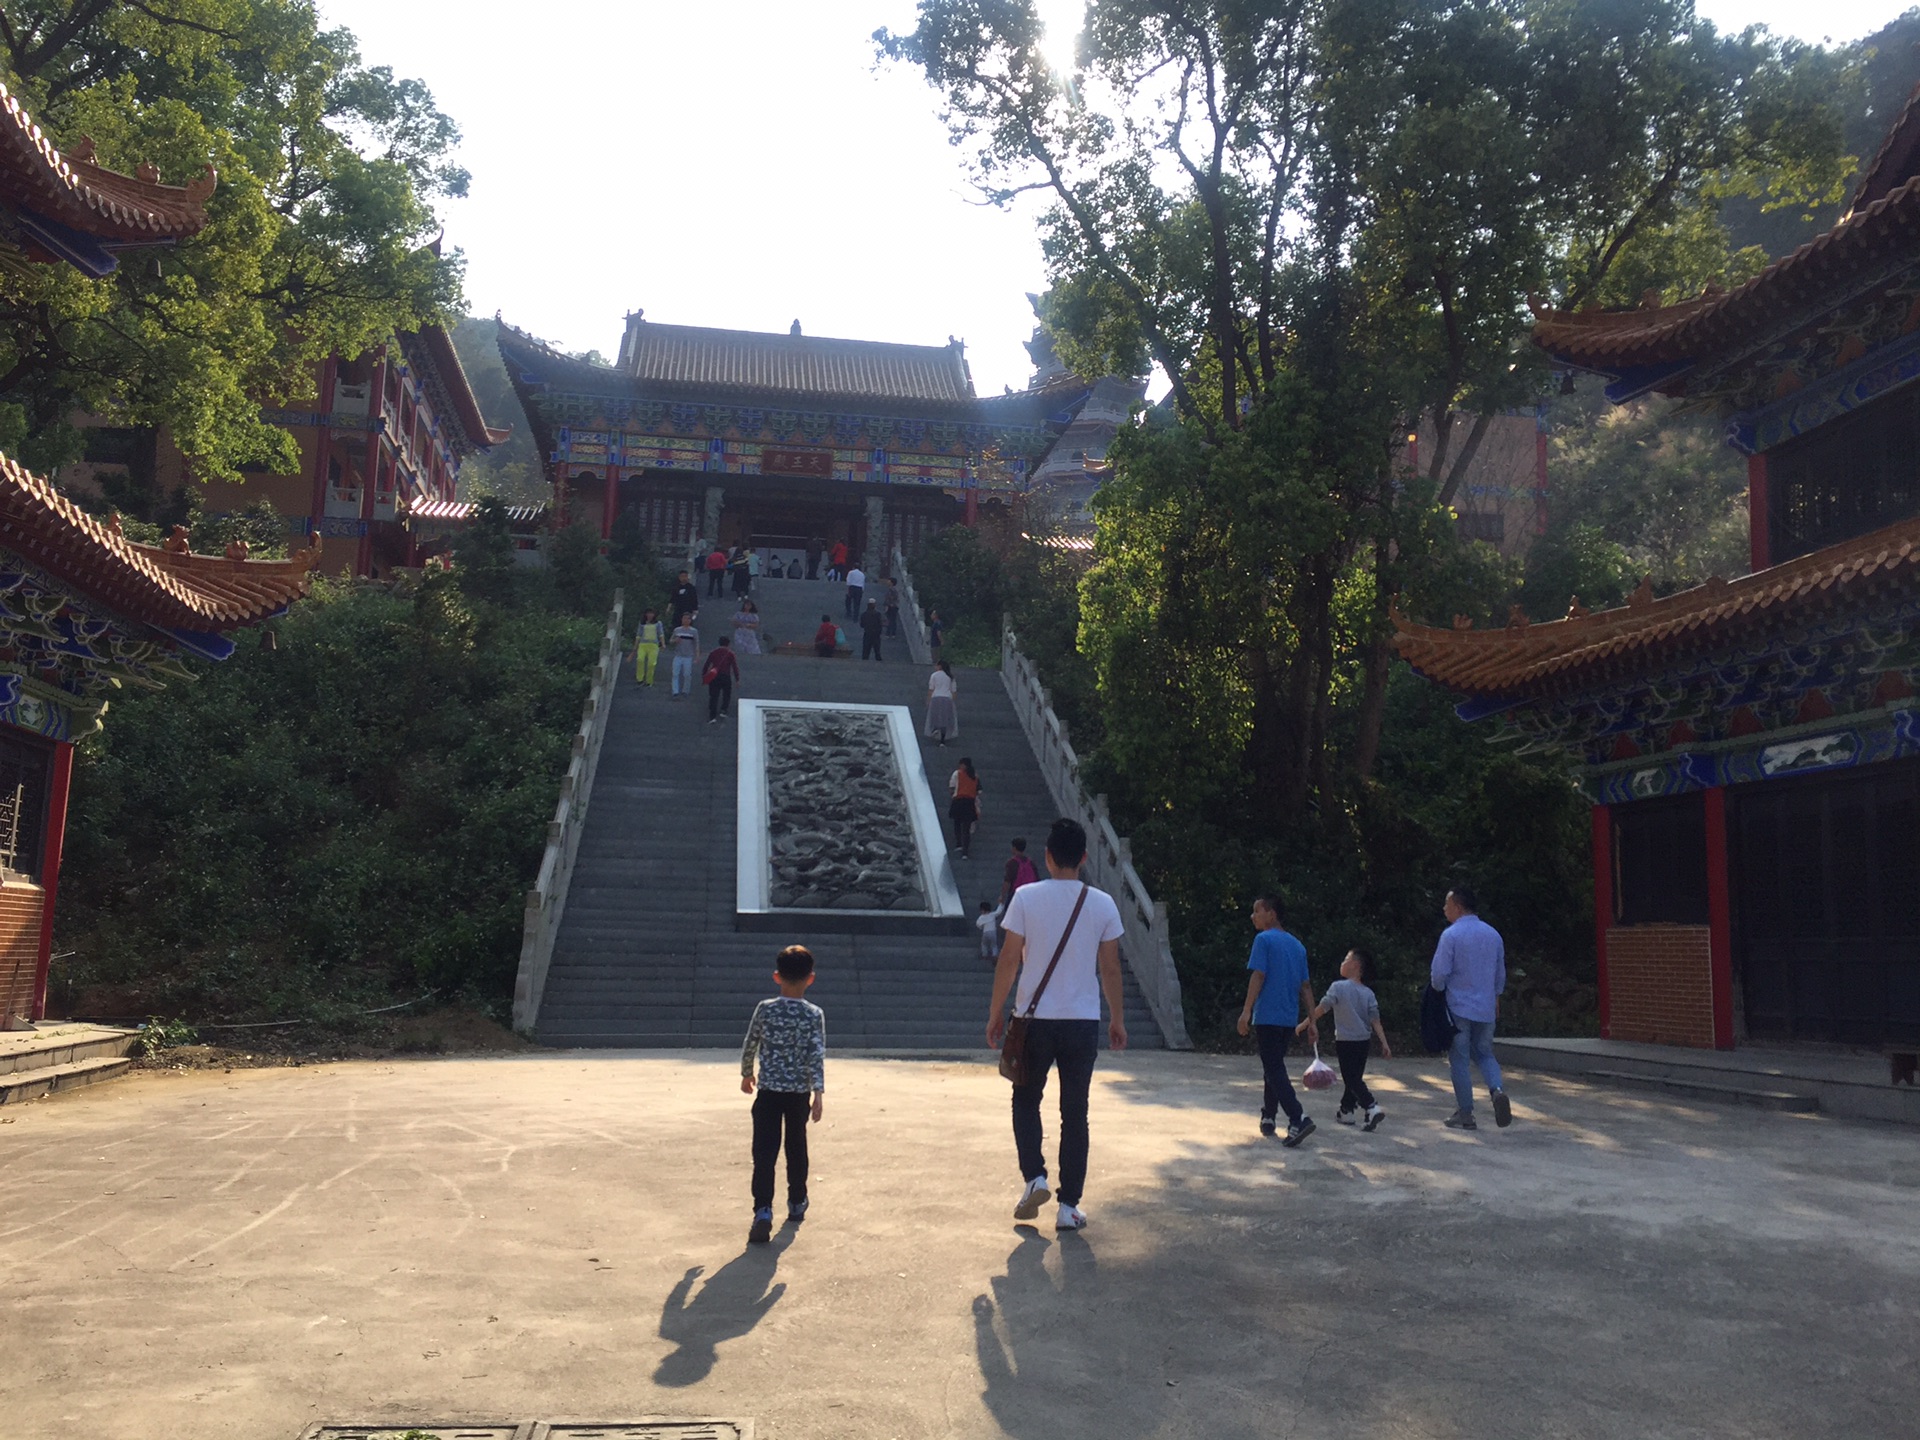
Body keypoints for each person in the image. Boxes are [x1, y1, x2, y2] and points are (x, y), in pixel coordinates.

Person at [987, 817, 1127, 1232]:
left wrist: (996, 1012)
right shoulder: (1102, 903)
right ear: (1084, 858)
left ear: (1047, 857)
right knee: (1075, 1111)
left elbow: (1009, 959)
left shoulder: (1026, 898)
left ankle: (1035, 1178)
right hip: (1082, 1021)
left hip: (1033, 1020)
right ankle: (1069, 1207)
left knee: (1025, 1100)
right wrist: (1117, 1017)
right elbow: (1110, 968)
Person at [739, 944, 827, 1245]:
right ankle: (796, 1200)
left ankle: (763, 1209)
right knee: (796, 1146)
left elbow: (751, 1041)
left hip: (768, 1093)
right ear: (810, 978)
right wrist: (818, 1092)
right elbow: (816, 1054)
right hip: (797, 1093)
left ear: (777, 977)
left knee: (764, 1152)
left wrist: (746, 1072)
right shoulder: (814, 1014)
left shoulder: (765, 1009)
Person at [1236, 895, 1317, 1147]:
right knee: (1274, 1066)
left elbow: (1258, 976)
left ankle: (1298, 1117)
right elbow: (1305, 987)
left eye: (1256, 911)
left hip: (1268, 1016)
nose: (1253, 916)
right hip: (1288, 1018)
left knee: (1273, 1068)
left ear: (1271, 914)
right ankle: (1269, 1116)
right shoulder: (1298, 946)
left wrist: (1246, 1011)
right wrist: (1312, 1021)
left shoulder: (1263, 940)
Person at [1431, 886, 1511, 1130]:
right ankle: (1497, 1090)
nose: (1444, 909)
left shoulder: (1451, 935)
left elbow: (1439, 974)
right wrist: (1496, 996)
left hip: (1458, 1007)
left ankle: (1465, 1113)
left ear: (1457, 906)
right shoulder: (1493, 935)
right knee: (1485, 1053)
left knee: (1460, 1059)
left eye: (1447, 904)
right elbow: (1500, 973)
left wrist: (1437, 991)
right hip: (1486, 1006)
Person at [1298, 949, 1391, 1131]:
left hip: (1346, 1041)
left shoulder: (1338, 987)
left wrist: (1304, 1024)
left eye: (1345, 959)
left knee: (1351, 1078)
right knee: (1354, 1077)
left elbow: (1321, 1009)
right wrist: (1384, 1043)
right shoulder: (1368, 993)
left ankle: (1371, 1106)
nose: (1342, 963)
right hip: (1364, 1041)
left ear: (1355, 965)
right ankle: (1346, 1110)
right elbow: (1375, 1021)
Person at [949, 756, 981, 858]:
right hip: (970, 803)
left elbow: (951, 787)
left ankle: (959, 844)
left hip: (959, 801)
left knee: (957, 823)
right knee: (966, 828)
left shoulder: (957, 773)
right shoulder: (975, 776)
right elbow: (979, 790)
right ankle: (965, 853)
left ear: (963, 765)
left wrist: (953, 795)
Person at [704, 635, 740, 724]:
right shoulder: (730, 653)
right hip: (725, 675)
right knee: (726, 694)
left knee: (714, 696)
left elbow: (706, 665)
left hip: (714, 676)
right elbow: (735, 667)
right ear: (728, 644)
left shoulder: (713, 652)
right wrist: (737, 679)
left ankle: (712, 716)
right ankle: (723, 710)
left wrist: (704, 676)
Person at [1000, 838, 1039, 910]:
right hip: (1029, 894)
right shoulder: (1031, 862)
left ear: (1014, 848)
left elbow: (1007, 881)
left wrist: (1002, 896)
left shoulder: (1012, 863)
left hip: (1015, 894)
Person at [925, 661, 958, 745]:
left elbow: (931, 689)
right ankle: (943, 739)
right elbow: (953, 691)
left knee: (935, 716)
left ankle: (935, 729)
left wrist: (928, 700)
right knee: (945, 719)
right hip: (947, 698)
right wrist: (953, 701)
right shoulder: (950, 677)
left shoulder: (934, 675)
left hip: (936, 698)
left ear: (940, 666)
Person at [669, 615, 700, 699]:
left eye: (688, 618)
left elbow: (696, 643)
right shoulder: (677, 630)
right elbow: (671, 641)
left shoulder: (693, 631)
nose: (686, 620)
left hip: (688, 656)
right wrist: (675, 640)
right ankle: (675, 691)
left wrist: (697, 656)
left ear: (690, 620)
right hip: (678, 655)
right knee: (675, 674)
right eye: (684, 618)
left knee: (687, 674)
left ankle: (685, 690)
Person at [633, 607, 666, 687]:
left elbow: (660, 634)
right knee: (640, 660)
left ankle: (649, 680)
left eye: (651, 613)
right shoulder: (642, 623)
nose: (650, 615)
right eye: (648, 613)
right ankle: (639, 678)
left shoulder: (658, 623)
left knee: (651, 663)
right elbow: (639, 635)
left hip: (653, 645)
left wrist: (663, 644)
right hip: (643, 644)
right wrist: (635, 646)